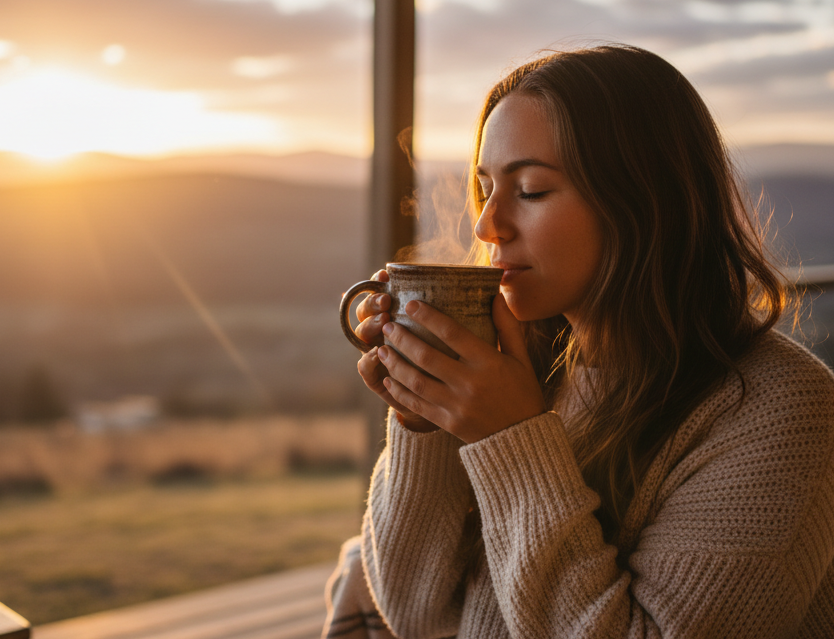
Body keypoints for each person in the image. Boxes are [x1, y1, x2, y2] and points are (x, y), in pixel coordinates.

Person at [323, 44, 834, 638]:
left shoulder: (782, 411)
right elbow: (415, 615)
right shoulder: (519, 366)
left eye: (532, 190)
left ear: (646, 201)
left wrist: (510, 438)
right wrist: (426, 421)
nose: (488, 226)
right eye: (485, 188)